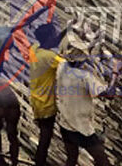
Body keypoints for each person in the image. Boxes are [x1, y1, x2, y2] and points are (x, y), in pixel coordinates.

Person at [56, 34, 119, 166]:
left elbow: (73, 57)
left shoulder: (61, 67)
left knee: (71, 158)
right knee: (102, 161)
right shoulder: (85, 77)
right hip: (81, 129)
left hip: (65, 124)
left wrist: (93, 43)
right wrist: (115, 73)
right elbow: (109, 93)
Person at [28, 20, 74, 166]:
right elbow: (68, 65)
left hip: (36, 98)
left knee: (44, 132)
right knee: (45, 137)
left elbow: (52, 41)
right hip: (46, 103)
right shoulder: (49, 57)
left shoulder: (34, 49)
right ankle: (39, 162)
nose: (55, 36)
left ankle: (39, 161)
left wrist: (67, 30)